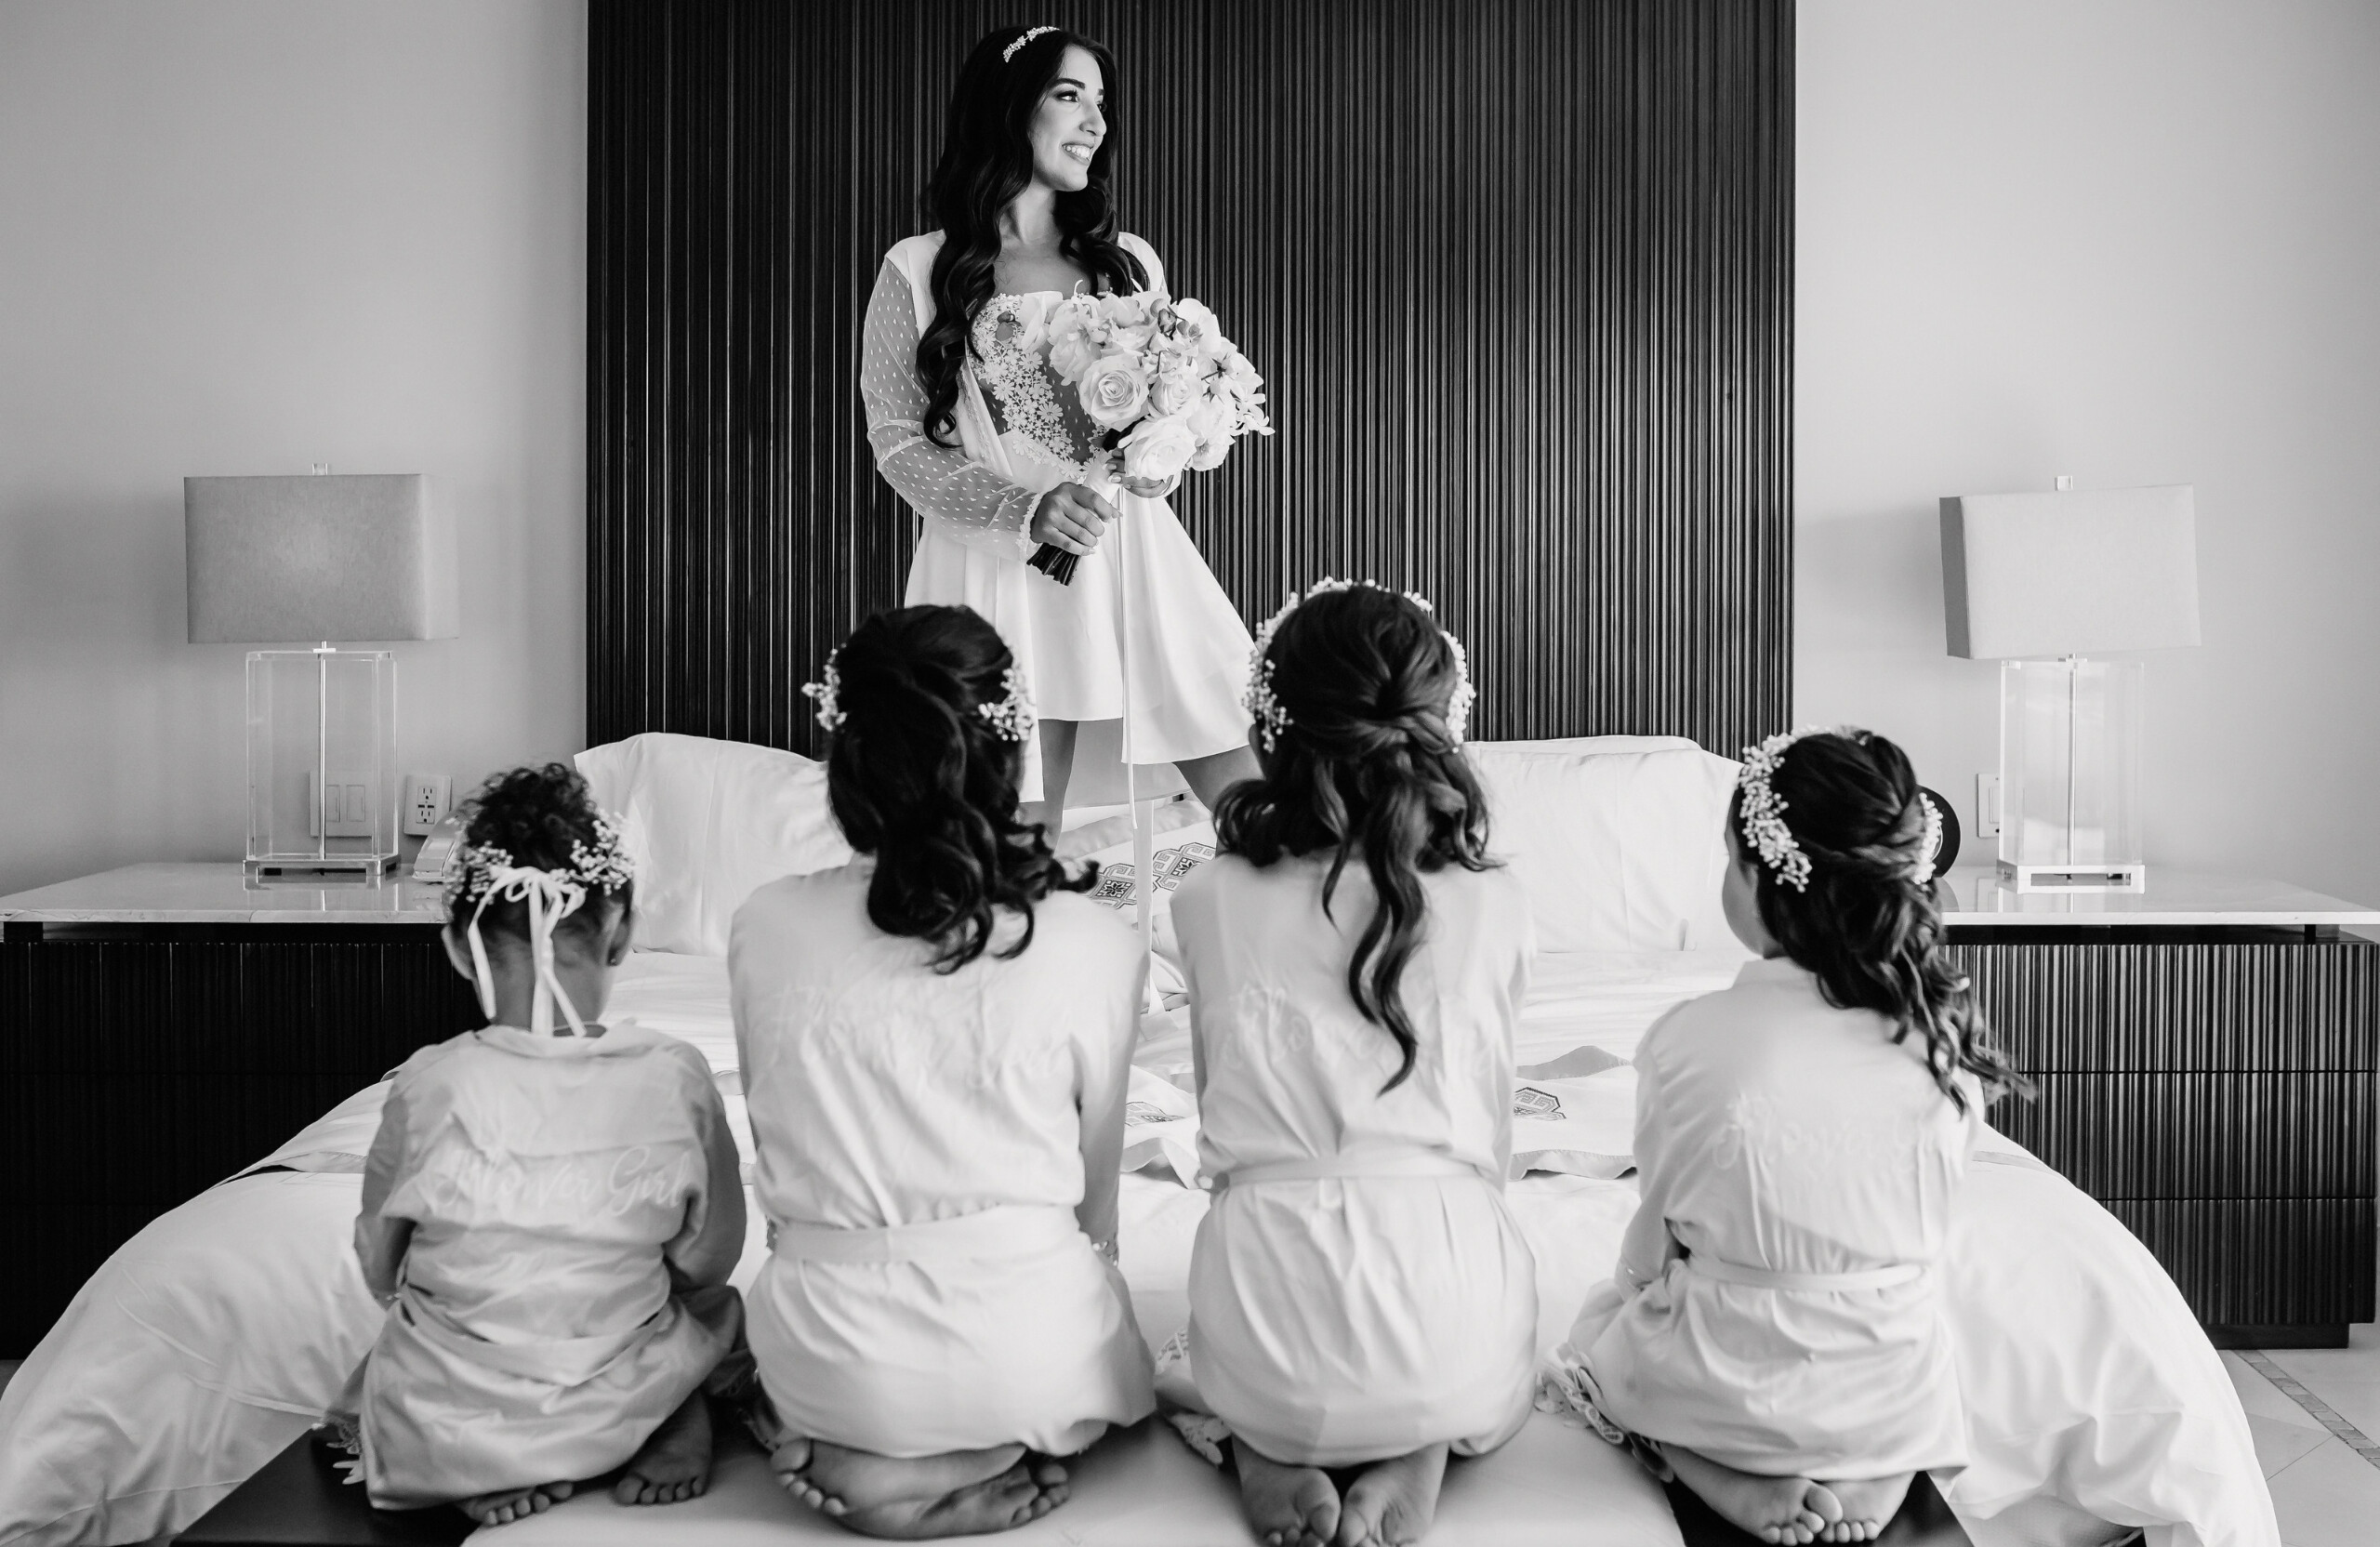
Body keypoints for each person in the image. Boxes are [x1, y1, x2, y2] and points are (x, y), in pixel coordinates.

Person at [737, 603, 1156, 1539]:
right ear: (1009, 750)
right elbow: (1094, 1203)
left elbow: (774, 1150)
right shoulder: (1093, 939)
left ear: (846, 757)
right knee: (1094, 1338)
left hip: (822, 1349)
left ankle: (876, 1443)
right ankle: (988, 1445)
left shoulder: (764, 924)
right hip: (1028, 1349)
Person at [1542, 730, 2020, 1544]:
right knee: (1912, 1336)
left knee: (1602, 1342)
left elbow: (1665, 1216)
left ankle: (1719, 1473)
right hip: (1888, 1378)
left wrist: (1633, 1285)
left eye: (1731, 861)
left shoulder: (1689, 1038)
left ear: (1767, 882)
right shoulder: (1943, 1045)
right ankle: (1880, 1474)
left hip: (1731, 1385)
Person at [1170, 580, 1538, 1547]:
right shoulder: (1497, 902)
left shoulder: (1206, 898)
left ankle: (1265, 1437)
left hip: (1268, 1294)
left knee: (1214, 1336)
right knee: (1491, 1309)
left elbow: (1220, 1126)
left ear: (1270, 725)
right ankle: (1423, 1438)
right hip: (1446, 1303)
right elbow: (1492, 1138)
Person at [860, 22, 1260, 829]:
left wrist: (1163, 452)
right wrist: (1022, 512)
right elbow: (897, 440)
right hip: (995, 568)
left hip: (1130, 557)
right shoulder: (918, 267)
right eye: (1070, 96)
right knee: (1014, 836)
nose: (1096, 123)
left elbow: (1156, 419)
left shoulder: (1129, 262)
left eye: (1100, 103)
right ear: (1010, 108)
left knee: (1258, 803)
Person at [345, 766, 747, 1526]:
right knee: (715, 1310)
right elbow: (710, 1254)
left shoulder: (426, 1085)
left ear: (459, 948)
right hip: (622, 1366)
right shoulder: (675, 1075)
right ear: (621, 934)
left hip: (457, 1397)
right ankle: (663, 1410)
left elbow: (379, 1263)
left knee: (407, 1343)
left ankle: (481, 1452)